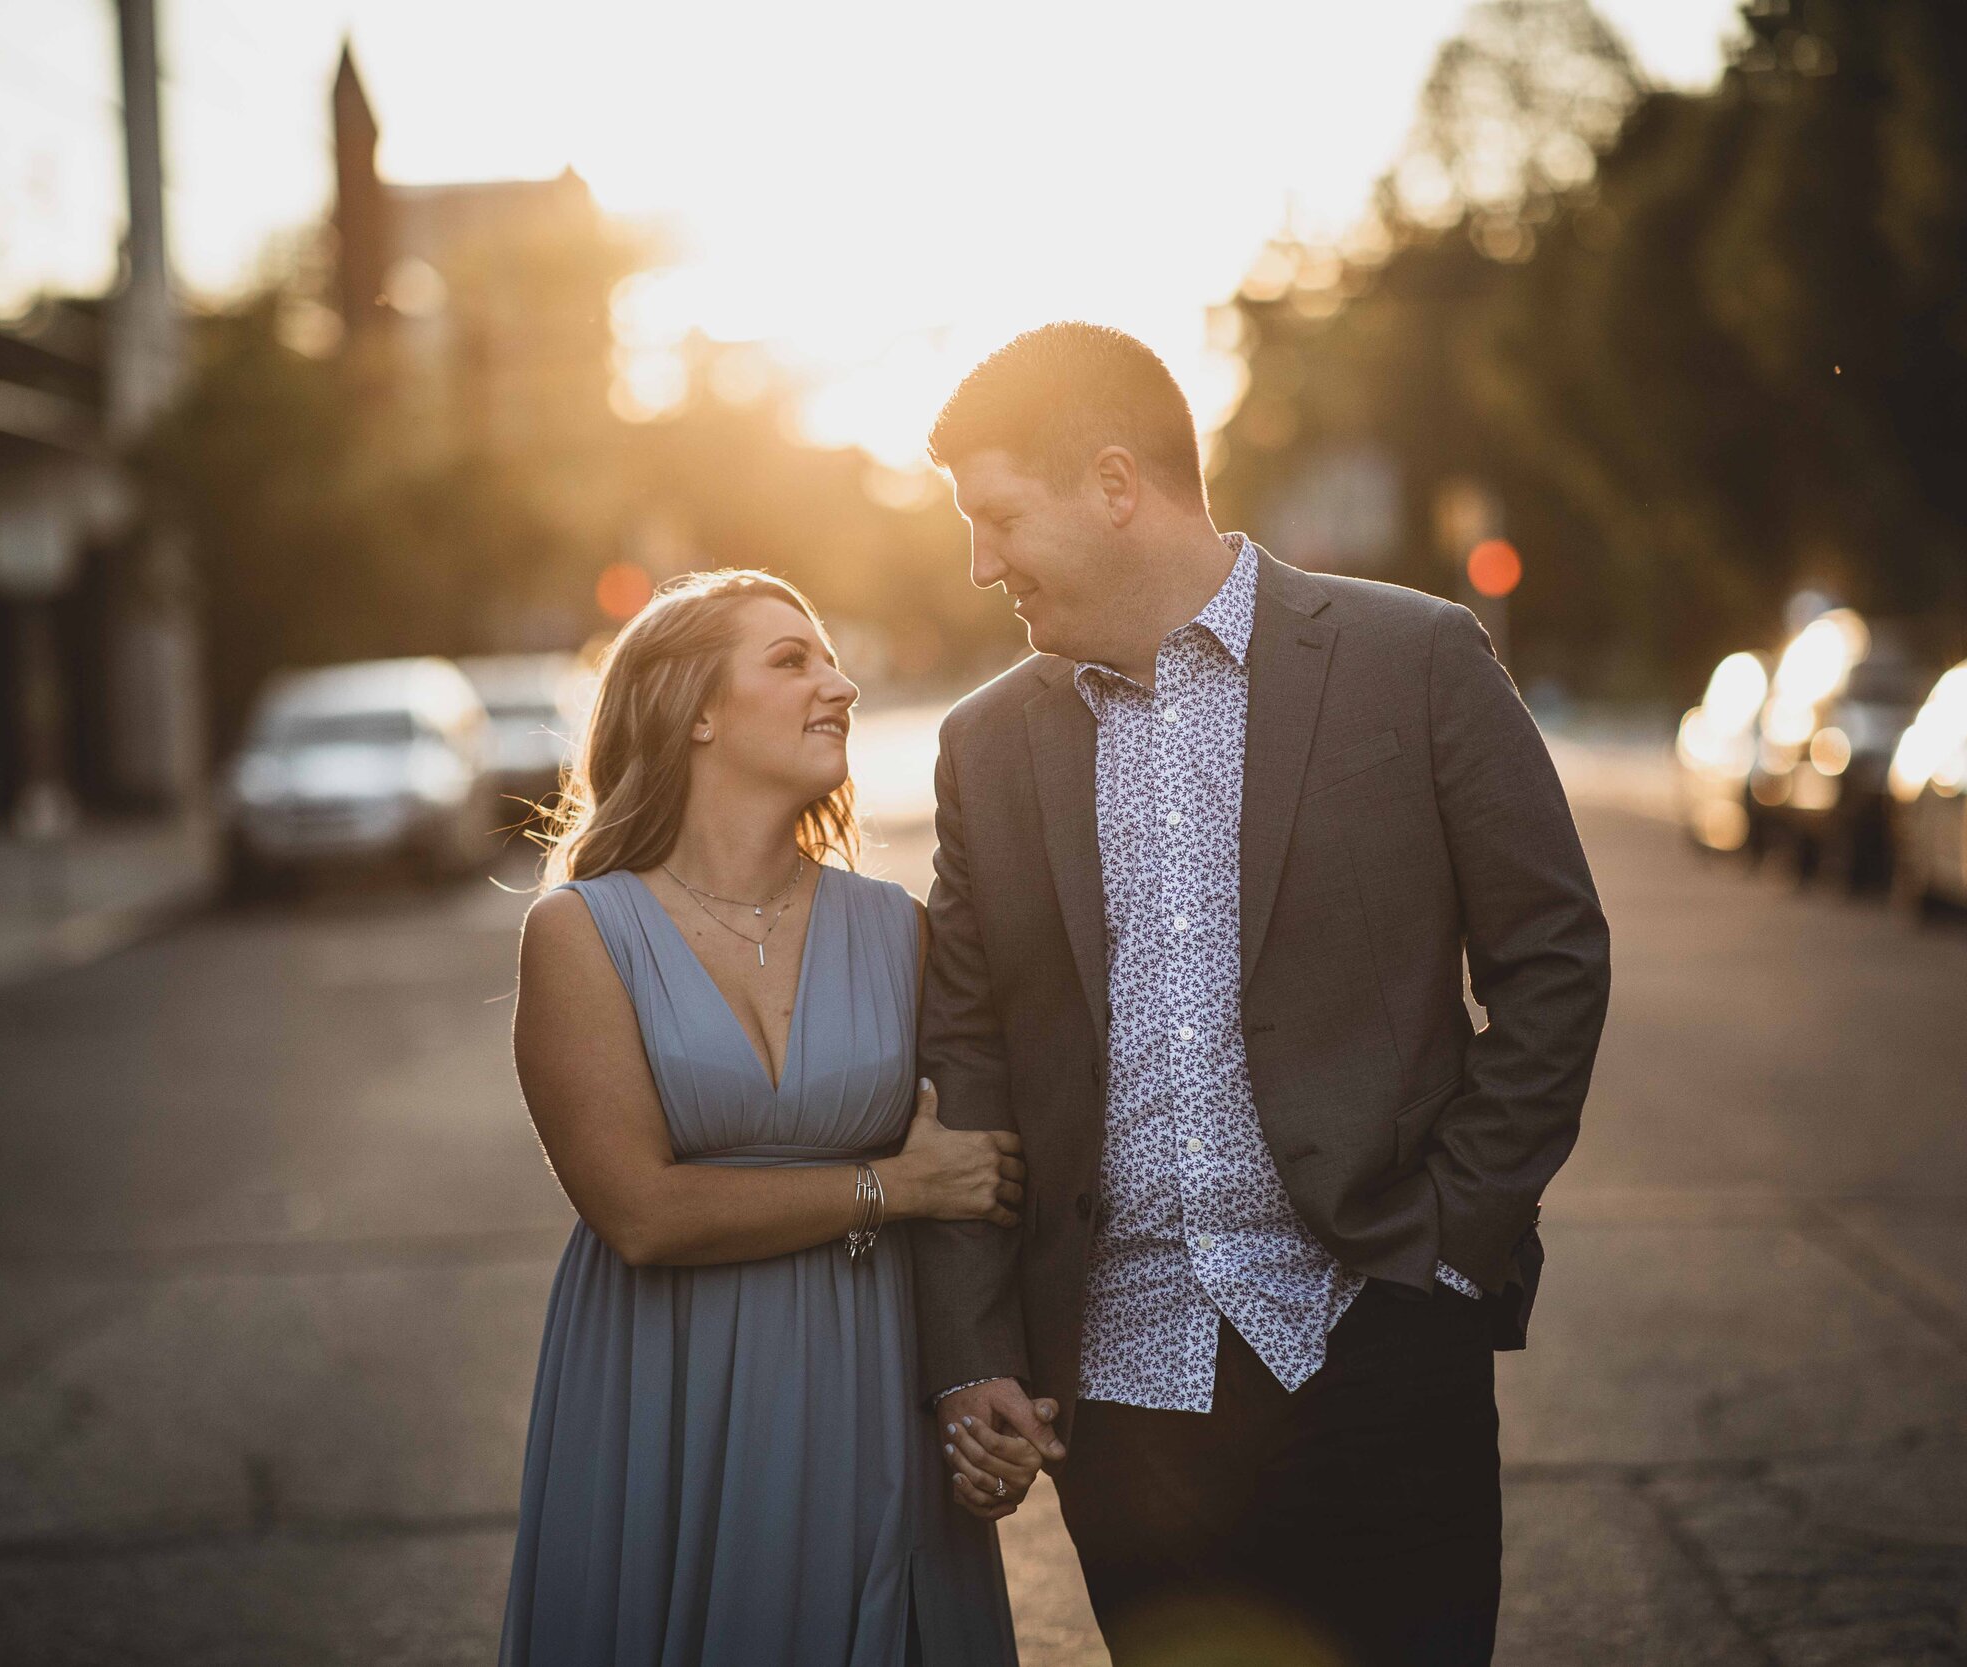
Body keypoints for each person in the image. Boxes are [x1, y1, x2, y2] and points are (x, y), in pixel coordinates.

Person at [910, 323, 1612, 1666]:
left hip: (1380, 1344)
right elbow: (968, 1049)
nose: (982, 562)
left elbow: (1553, 957)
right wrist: (974, 1344)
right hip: (1125, 1399)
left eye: (1001, 517)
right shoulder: (984, 746)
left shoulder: (1415, 659)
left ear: (1116, 486)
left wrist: (1457, 1240)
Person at [498, 569, 1030, 1666]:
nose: (835, 684)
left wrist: (981, 1381)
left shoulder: (896, 927)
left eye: (829, 658)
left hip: (868, 1381)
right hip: (668, 1385)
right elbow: (639, 1210)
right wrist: (895, 1185)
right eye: (790, 659)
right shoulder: (581, 931)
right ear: (690, 706)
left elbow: (977, 1175)